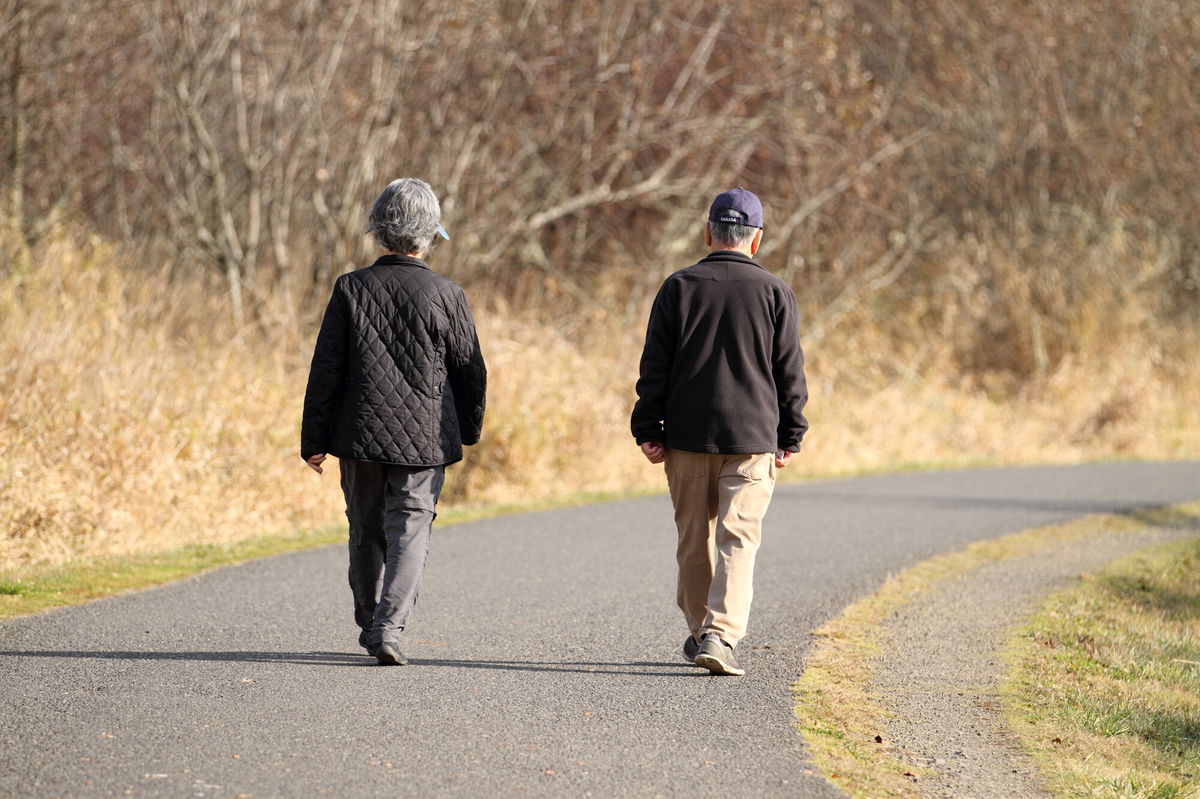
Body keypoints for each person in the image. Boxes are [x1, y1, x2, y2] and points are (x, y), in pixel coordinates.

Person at [301, 178, 486, 666]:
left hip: (358, 435)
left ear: (379, 231)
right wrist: (467, 429)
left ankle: (369, 619)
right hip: (425, 437)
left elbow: (327, 370)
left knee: (364, 527)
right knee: (411, 527)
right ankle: (388, 626)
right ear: (429, 235)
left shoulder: (351, 288)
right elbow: (471, 370)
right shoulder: (447, 293)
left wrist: (314, 440)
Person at [631, 187, 808, 676]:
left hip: (686, 437)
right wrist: (790, 434)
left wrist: (648, 427)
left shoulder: (678, 287)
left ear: (708, 232)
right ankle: (720, 635)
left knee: (692, 538)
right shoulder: (774, 292)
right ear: (756, 240)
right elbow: (789, 372)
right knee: (738, 539)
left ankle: (698, 632)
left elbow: (655, 368)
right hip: (752, 439)